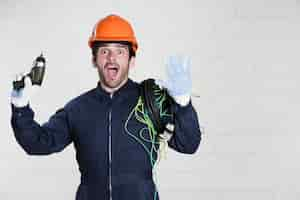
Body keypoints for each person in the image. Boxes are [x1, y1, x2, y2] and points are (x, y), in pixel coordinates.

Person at [10, 14, 201, 200]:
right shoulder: (77, 109)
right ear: (94, 60)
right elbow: (39, 143)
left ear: (131, 60)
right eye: (104, 51)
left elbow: (189, 144)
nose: (112, 58)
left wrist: (183, 104)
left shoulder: (150, 102)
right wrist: (21, 108)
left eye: (120, 51)